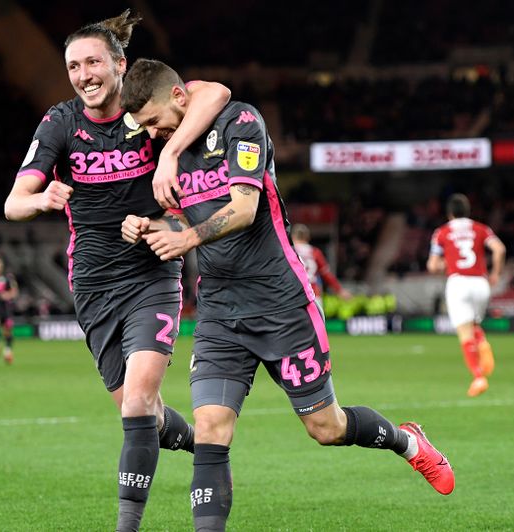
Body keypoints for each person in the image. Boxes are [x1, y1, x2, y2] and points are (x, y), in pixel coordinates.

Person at [120, 58, 454, 532]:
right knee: (211, 429)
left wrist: (187, 238)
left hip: (281, 303)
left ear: (178, 96)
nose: (154, 135)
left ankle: (408, 442)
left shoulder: (240, 122)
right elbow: (183, 215)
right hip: (219, 311)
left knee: (326, 428)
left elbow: (243, 208)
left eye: (155, 122)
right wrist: (149, 225)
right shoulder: (170, 153)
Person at [3, 11, 231, 530]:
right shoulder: (60, 123)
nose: (84, 75)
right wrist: (41, 199)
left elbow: (216, 93)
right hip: (92, 284)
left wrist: (169, 155)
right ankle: (204, 445)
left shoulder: (145, 110)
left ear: (120, 65)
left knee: (138, 400)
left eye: (93, 63)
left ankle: (127, 525)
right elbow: (13, 203)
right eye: (73, 66)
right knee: (144, 413)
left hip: (152, 275)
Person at [427, 194, 506, 398]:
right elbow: (499, 249)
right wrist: (496, 273)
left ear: (450, 213)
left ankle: (478, 377)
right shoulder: (481, 228)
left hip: (459, 283)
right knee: (474, 325)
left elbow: (432, 265)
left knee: (465, 333)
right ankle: (483, 342)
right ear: (468, 211)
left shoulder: (442, 232)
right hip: (480, 283)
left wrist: (446, 263)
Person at [291, 223, 352, 307]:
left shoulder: (289, 251)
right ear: (307, 237)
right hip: (313, 294)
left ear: (292, 237)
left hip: (293, 295)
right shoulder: (314, 252)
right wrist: (339, 290)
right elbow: (326, 274)